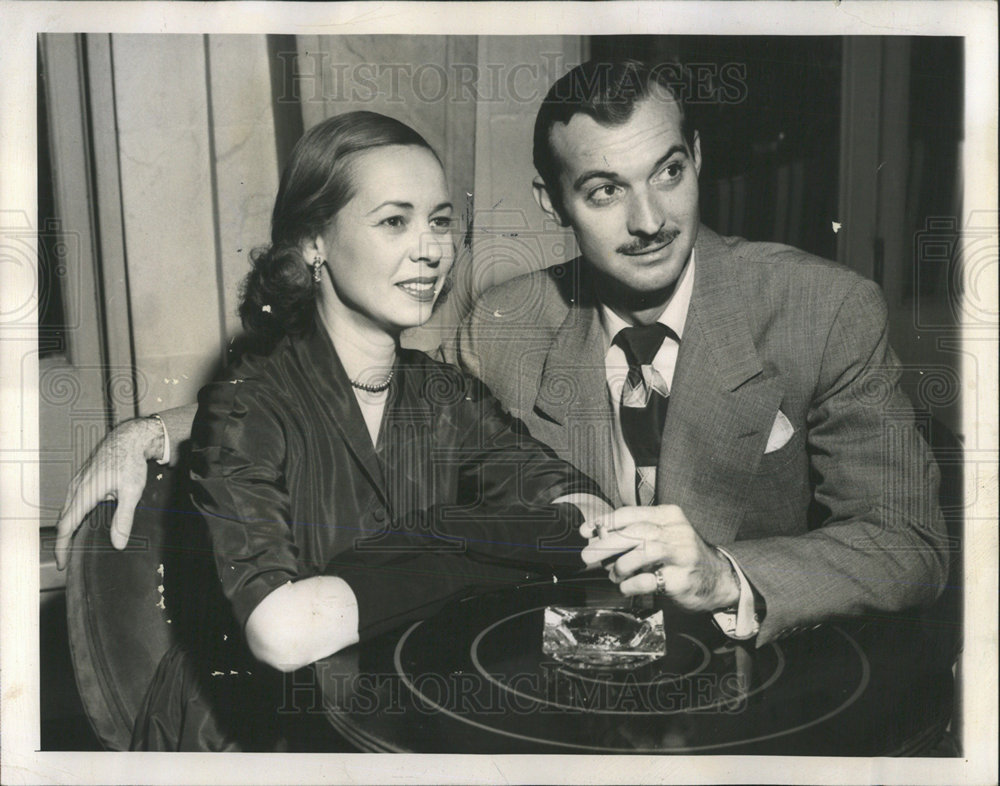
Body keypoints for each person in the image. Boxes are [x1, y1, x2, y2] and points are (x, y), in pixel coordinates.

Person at [57, 60, 948, 651]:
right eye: (604, 190)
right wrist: (153, 428)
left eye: (668, 173)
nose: (649, 221)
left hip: (766, 691)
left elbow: (909, 544)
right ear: (554, 202)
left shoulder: (824, 310)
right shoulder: (507, 324)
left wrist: (727, 576)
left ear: (697, 157)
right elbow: (359, 387)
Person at [62, 110, 609, 750]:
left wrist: (437, 541)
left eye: (439, 220)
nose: (431, 248)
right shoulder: (250, 404)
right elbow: (281, 632)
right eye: (393, 221)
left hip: (397, 707)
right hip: (254, 739)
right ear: (314, 242)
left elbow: (586, 516)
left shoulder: (444, 392)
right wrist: (469, 544)